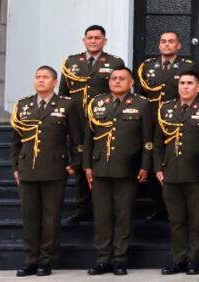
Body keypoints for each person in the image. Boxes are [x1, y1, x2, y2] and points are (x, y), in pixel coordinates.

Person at [11, 66, 82, 277]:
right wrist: (16, 167)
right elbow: (16, 141)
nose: (41, 81)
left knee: (51, 218)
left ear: (54, 82)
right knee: (30, 217)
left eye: (46, 77)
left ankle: (46, 260)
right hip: (27, 169)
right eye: (38, 77)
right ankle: (30, 259)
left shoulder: (66, 105)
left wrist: (76, 163)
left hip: (54, 169)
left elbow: (77, 139)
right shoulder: (23, 105)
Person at [83, 67, 153, 276]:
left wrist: (145, 166)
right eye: (114, 78)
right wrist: (87, 166)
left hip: (127, 168)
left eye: (122, 78)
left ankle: (120, 259)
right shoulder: (96, 103)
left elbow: (148, 140)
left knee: (123, 216)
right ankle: (103, 259)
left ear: (131, 82)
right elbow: (88, 139)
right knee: (102, 216)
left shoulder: (142, 104)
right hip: (100, 168)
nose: (117, 81)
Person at [154, 72, 199, 276]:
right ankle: (178, 259)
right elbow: (157, 143)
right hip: (170, 173)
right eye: (182, 83)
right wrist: (158, 168)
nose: (185, 86)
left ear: (198, 87)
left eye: (189, 83)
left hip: (197, 173)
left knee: (196, 220)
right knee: (176, 220)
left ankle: (193, 260)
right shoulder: (166, 108)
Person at [59, 24, 125, 224]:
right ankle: (82, 208)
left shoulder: (114, 62)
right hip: (77, 122)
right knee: (79, 164)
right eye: (90, 37)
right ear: (84, 40)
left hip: (104, 122)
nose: (94, 40)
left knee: (105, 163)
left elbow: (120, 89)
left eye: (98, 37)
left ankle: (105, 209)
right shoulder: (71, 63)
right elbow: (63, 95)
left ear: (104, 41)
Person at [136, 31, 196, 107]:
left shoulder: (188, 67)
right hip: (152, 112)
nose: (166, 44)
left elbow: (195, 94)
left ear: (178, 46)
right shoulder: (148, 66)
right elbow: (141, 95)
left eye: (171, 42)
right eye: (163, 42)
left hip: (177, 112)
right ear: (159, 46)